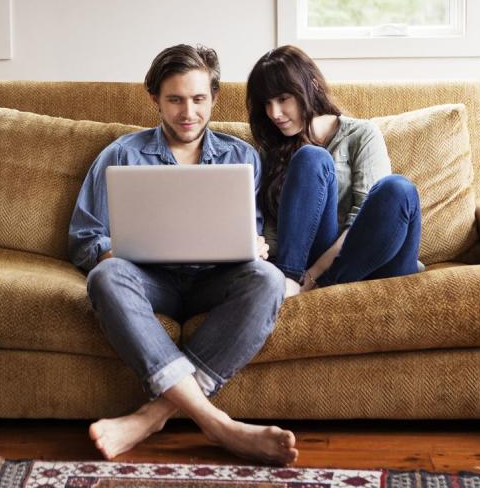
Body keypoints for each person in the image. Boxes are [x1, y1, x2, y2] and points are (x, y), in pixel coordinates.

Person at [68, 44, 298, 465]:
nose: (187, 112)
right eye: (174, 100)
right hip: (151, 281)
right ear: (154, 99)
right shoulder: (121, 154)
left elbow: (265, 231)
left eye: (198, 99)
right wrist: (113, 253)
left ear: (214, 98)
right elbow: (85, 237)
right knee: (106, 276)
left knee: (267, 279)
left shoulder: (242, 156)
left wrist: (259, 245)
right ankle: (218, 425)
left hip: (216, 280)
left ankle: (152, 417)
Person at [245, 45, 422, 296]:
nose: (274, 113)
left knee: (398, 189)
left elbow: (364, 221)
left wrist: (314, 275)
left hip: (374, 259)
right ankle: (287, 280)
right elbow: (274, 231)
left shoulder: (361, 135)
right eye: (267, 103)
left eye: (283, 99)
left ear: (312, 85)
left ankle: (309, 286)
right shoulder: (271, 149)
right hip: (304, 264)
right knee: (311, 157)